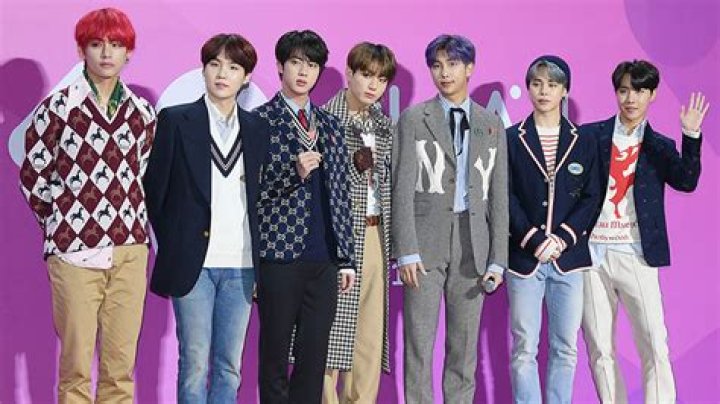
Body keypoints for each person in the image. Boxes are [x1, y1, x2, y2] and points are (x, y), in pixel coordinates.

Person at [18, 7, 155, 403]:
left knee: (120, 368)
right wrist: (62, 222)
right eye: (96, 44)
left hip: (130, 249)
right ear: (82, 50)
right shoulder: (58, 108)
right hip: (74, 251)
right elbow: (33, 175)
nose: (106, 53)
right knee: (76, 367)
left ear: (129, 51)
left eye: (116, 44)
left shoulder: (142, 113)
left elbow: (143, 176)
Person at [143, 33, 268, 403]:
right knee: (194, 363)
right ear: (204, 70)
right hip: (194, 265)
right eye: (215, 64)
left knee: (230, 366)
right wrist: (177, 242)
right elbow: (156, 192)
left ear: (246, 77)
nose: (222, 74)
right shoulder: (176, 120)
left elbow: (262, 198)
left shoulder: (258, 128)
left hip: (243, 265)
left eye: (233, 67)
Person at [581, 59, 709, 404]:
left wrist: (691, 135)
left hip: (636, 253)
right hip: (591, 256)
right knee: (599, 348)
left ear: (652, 94)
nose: (631, 99)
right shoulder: (591, 136)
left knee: (654, 343)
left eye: (639, 91)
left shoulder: (659, 145)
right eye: (624, 90)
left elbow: (686, 181)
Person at [392, 34, 508, 404]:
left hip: (473, 245)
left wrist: (498, 259)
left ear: (469, 68)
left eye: (453, 64)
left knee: (464, 348)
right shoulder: (414, 118)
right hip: (424, 244)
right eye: (437, 66)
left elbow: (498, 197)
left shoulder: (491, 124)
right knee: (419, 344)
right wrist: (406, 250)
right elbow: (401, 188)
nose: (444, 73)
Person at [253, 30, 356, 404]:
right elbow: (252, 192)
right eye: (295, 62)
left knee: (313, 361)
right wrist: (292, 173)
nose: (302, 72)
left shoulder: (330, 125)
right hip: (278, 256)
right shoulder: (260, 120)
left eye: (311, 65)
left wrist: (346, 258)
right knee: (275, 356)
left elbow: (341, 194)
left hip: (324, 260)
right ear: (280, 66)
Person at [505, 55, 601, 404]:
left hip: (568, 259)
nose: (544, 91)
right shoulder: (511, 138)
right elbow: (505, 196)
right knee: (524, 349)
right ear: (529, 88)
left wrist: (562, 238)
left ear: (565, 91)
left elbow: (592, 196)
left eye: (552, 84)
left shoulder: (584, 140)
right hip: (524, 259)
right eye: (537, 84)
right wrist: (533, 239)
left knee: (565, 347)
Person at [321, 42, 397, 404]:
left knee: (368, 334)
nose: (373, 85)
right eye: (366, 75)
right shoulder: (324, 119)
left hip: (375, 234)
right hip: (334, 239)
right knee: (330, 332)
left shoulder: (384, 125)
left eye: (381, 79)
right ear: (349, 73)